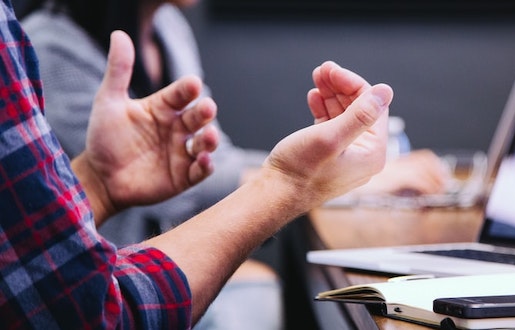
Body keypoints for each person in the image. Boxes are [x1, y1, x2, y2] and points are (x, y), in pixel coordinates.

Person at [18, 0, 448, 327]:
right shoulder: (51, 50)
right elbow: (190, 189)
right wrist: (314, 177)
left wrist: (98, 180)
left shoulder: (168, 27)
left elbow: (207, 160)